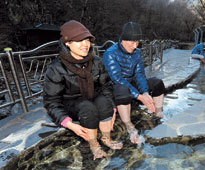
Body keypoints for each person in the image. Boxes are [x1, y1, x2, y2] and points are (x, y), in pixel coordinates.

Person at [43, 20, 123, 160]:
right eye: (79, 41)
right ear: (67, 43)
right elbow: (51, 102)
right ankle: (94, 144)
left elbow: (105, 86)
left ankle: (106, 138)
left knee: (105, 102)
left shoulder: (96, 61)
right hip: (72, 106)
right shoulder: (56, 68)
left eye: (87, 40)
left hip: (92, 97)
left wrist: (113, 109)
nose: (85, 45)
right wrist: (69, 124)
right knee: (87, 108)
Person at [102, 21, 165, 144]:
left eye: (137, 42)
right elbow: (117, 79)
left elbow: (139, 74)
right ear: (123, 39)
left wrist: (145, 92)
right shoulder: (110, 53)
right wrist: (140, 97)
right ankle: (129, 125)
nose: (135, 46)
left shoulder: (137, 53)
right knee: (123, 89)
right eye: (132, 42)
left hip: (130, 84)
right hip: (113, 87)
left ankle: (158, 113)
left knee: (158, 83)